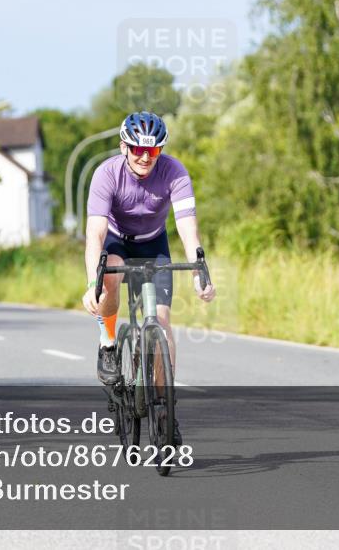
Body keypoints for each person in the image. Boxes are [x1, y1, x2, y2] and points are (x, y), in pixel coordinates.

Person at [81, 112, 216, 444]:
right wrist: (91, 283)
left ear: (161, 151)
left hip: (155, 245)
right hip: (116, 241)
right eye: (137, 149)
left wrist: (200, 270)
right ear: (123, 147)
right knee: (110, 276)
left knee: (163, 324)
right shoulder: (105, 174)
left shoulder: (175, 172)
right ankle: (109, 343)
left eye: (153, 151)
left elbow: (186, 225)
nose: (145, 157)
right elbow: (95, 233)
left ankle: (165, 409)